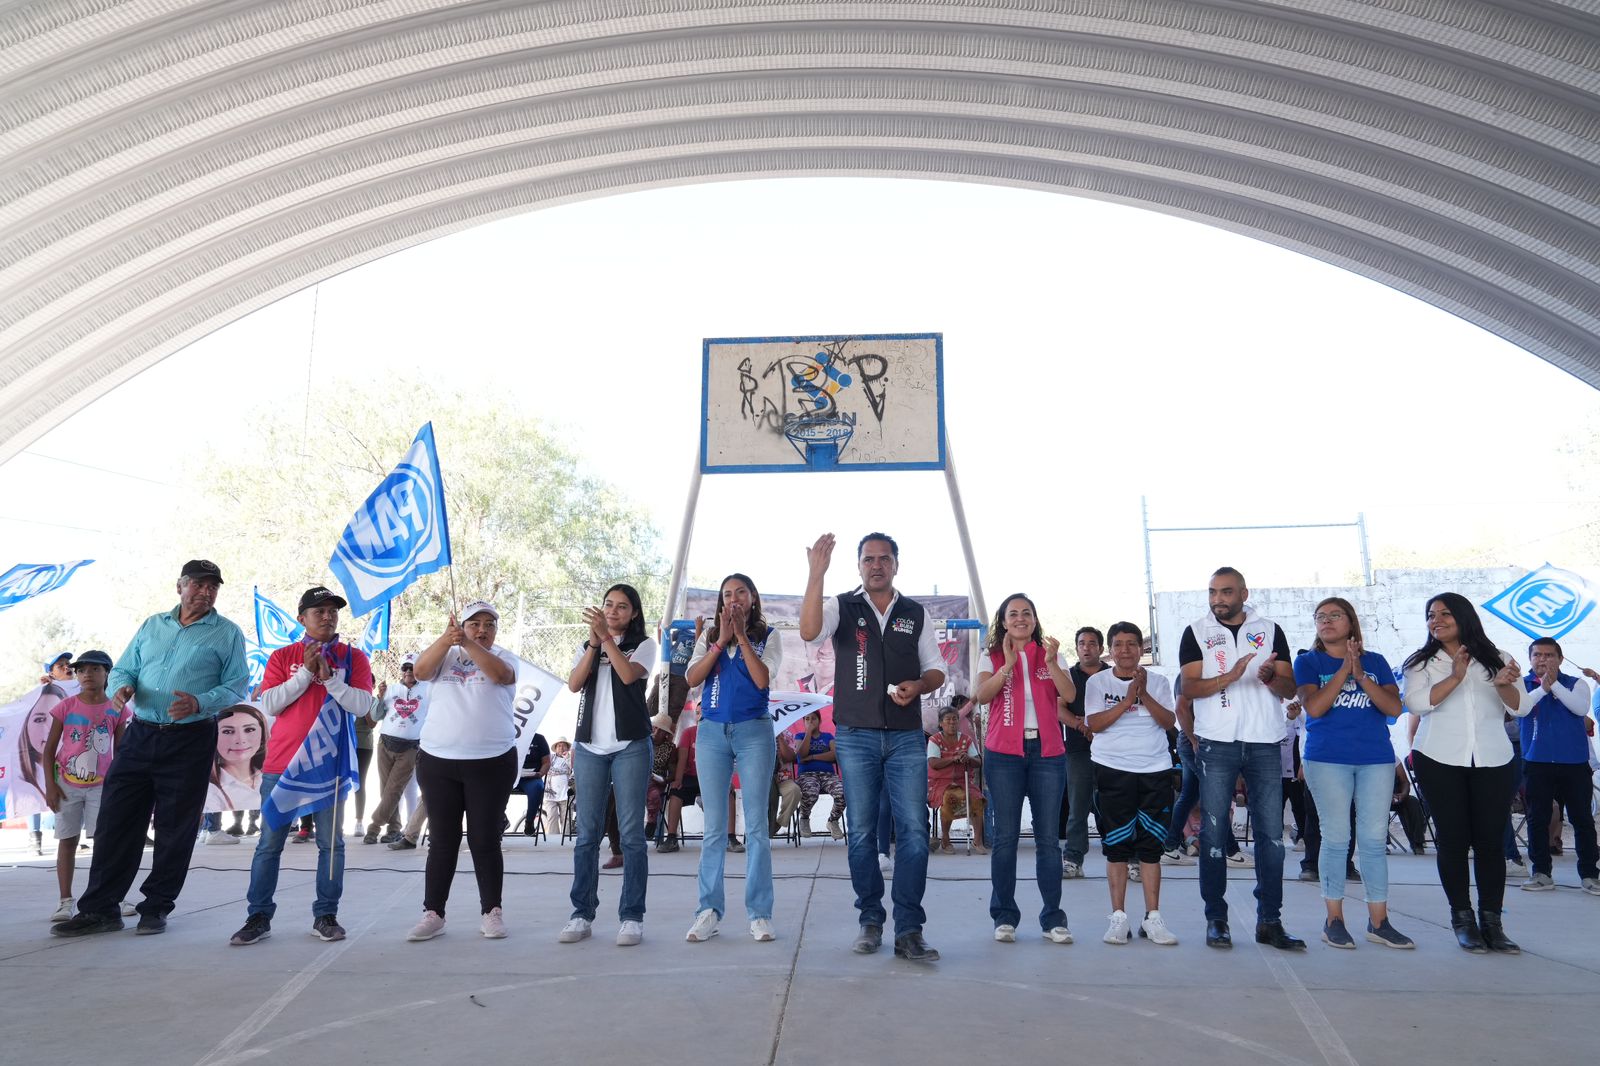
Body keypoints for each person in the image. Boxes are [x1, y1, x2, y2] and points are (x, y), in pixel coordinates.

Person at [54, 559, 249, 938]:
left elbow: (236, 686)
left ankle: (155, 907)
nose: (206, 592)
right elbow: (125, 668)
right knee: (114, 821)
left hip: (189, 739)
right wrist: (121, 689)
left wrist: (199, 702)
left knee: (175, 827)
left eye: (213, 586)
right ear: (181, 586)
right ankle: (99, 910)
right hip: (140, 734)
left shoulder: (227, 633)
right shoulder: (152, 625)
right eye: (199, 584)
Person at [800, 532, 946, 963]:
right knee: (861, 832)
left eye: (884, 559)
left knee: (915, 833)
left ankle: (909, 929)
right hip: (855, 735)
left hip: (905, 737)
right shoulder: (842, 606)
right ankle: (869, 919)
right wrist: (816, 574)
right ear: (859, 566)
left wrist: (919, 685)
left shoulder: (914, 613)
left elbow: (935, 669)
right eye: (868, 559)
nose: (877, 565)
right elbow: (809, 631)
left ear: (897, 564)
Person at [228, 587, 375, 946]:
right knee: (269, 844)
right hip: (282, 764)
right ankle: (258, 916)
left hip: (330, 767)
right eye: (318, 611)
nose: (327, 616)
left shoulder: (354, 658)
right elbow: (271, 704)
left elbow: (362, 706)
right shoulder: (283, 656)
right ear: (302, 618)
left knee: (331, 845)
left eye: (332, 611)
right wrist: (306, 675)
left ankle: (326, 914)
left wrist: (330, 679)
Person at [1178, 567, 1304, 951]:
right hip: (1217, 742)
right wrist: (1229, 676)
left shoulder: (1270, 630)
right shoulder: (1196, 631)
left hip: (1265, 741)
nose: (1218, 599)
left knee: (1271, 837)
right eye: (1213, 592)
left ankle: (1270, 920)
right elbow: (1190, 688)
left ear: (1244, 593)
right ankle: (1216, 919)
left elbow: (1289, 687)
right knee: (1214, 834)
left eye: (1227, 592)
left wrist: (1268, 677)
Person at [1403, 592, 1533, 953]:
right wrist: (1456, 676)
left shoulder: (1500, 660)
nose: (1436, 620)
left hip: (1493, 759)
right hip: (1438, 758)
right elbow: (1416, 703)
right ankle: (1463, 920)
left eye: (1445, 613)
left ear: (1465, 617)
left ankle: (1492, 922)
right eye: (1431, 615)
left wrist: (1504, 683)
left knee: (1491, 842)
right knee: (1454, 839)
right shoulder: (1420, 663)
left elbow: (1520, 709)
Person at [1293, 598, 1413, 949]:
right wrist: (1345, 669)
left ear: (1351, 622)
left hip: (1375, 758)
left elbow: (1393, 707)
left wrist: (1360, 674)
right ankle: (1334, 920)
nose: (1326, 621)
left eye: (1335, 615)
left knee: (1374, 840)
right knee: (1336, 837)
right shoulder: (1307, 662)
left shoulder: (1375, 662)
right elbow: (1314, 707)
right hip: (1328, 758)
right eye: (1320, 617)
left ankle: (1379, 922)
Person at [403, 601, 519, 942]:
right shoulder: (444, 655)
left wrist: (467, 643)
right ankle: (433, 913)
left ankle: (491, 912)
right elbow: (421, 671)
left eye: (489, 624)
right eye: (474, 624)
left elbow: (500, 676)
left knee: (484, 839)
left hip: (491, 761)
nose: (482, 629)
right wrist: (446, 639)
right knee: (443, 840)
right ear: (460, 625)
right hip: (439, 761)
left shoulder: (505, 657)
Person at [682, 572, 783, 943]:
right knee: (713, 829)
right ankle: (708, 910)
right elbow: (693, 679)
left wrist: (740, 638)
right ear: (720, 602)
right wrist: (720, 640)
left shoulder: (769, 637)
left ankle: (759, 913)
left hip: (753, 730)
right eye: (727, 594)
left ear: (753, 598)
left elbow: (762, 680)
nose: (734, 599)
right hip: (711, 733)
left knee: (756, 826)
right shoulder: (710, 636)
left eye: (741, 592)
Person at [561, 584, 657, 947]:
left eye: (621, 607)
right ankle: (581, 913)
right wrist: (593, 644)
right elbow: (574, 684)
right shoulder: (589, 645)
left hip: (630, 745)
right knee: (586, 834)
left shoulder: (644, 645)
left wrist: (607, 640)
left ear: (633, 613)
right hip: (589, 747)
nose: (613, 611)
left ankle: (632, 915)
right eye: (608, 605)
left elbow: (629, 675)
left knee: (631, 835)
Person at [974, 593, 1072, 944]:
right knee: (1005, 839)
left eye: (1026, 613)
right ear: (1003, 621)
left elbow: (1069, 696)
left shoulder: (1049, 654)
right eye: (1012, 614)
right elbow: (982, 695)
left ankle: (1053, 919)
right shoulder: (993, 655)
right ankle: (1004, 916)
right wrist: (1007, 666)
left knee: (1048, 840)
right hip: (1004, 754)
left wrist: (1053, 662)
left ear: (1034, 619)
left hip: (1047, 753)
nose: (1020, 618)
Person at [1085, 622, 1179, 946]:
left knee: (1152, 847)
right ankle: (1118, 918)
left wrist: (1144, 695)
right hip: (1111, 770)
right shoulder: (1097, 682)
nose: (1125, 650)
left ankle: (1153, 918)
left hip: (1155, 769)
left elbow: (1169, 722)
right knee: (1116, 847)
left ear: (1142, 649)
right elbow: (1094, 724)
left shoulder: (1160, 682)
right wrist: (1127, 701)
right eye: (1118, 644)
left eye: (1131, 644)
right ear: (1109, 650)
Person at [41, 651, 131, 922]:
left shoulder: (116, 709)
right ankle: (65, 900)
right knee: (67, 841)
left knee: (104, 842)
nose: (87, 675)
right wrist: (50, 785)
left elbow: (122, 750)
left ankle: (111, 895)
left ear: (107, 674)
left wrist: (121, 786)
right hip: (66, 785)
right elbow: (48, 751)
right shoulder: (66, 707)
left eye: (95, 669)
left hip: (102, 786)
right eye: (81, 670)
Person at [1516, 638, 1599, 895]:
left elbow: (1580, 707)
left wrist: (1554, 686)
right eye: (1537, 655)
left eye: (1549, 655)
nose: (1543, 660)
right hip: (1537, 762)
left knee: (1582, 820)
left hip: (1574, 763)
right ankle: (1541, 873)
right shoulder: (1521, 685)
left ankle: (1590, 875)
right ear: (1530, 659)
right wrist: (1543, 687)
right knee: (1537, 819)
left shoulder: (1577, 683)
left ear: (1560, 659)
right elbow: (1521, 709)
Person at [368, 657, 430, 844]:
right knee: (386, 788)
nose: (408, 671)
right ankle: (394, 828)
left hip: (410, 747)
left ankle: (374, 827)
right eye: (405, 667)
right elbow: (376, 716)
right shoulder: (391, 689)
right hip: (385, 743)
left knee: (394, 788)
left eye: (412, 668)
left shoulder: (428, 690)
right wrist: (379, 697)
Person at [1060, 627, 1105, 877]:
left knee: (1115, 807)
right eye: (1081, 643)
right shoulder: (1068, 676)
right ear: (1076, 648)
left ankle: (1127, 858)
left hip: (1112, 751)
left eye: (1092, 643)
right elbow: (1058, 708)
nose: (1086, 647)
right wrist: (1080, 724)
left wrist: (1099, 725)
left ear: (1100, 648)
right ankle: (1073, 859)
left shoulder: (1114, 675)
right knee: (1077, 808)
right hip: (1078, 750)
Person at [927, 706, 985, 854]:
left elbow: (978, 761)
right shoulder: (935, 740)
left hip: (962, 780)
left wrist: (968, 759)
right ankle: (945, 840)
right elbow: (933, 762)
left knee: (978, 799)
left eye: (955, 719)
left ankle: (977, 840)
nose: (952, 723)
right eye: (948, 720)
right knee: (948, 799)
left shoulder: (966, 740)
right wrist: (953, 759)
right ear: (941, 723)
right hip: (941, 782)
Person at [206, 704, 267, 828]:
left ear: (262, 735)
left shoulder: (268, 780)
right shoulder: (211, 790)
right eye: (228, 731)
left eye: (249, 730)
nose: (240, 740)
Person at [793, 712, 846, 837]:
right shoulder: (800, 736)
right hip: (807, 775)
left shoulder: (828, 736)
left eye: (814, 719)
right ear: (803, 721)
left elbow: (834, 755)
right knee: (811, 792)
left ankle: (833, 821)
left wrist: (812, 757)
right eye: (807, 719)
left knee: (842, 793)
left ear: (819, 720)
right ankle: (804, 818)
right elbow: (802, 754)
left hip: (828, 775)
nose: (810, 721)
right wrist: (808, 733)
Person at [511, 731, 552, 837]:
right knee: (491, 787)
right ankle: (501, 820)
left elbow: (546, 762)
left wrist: (540, 773)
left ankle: (529, 822)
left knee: (538, 787)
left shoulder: (539, 739)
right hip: (510, 777)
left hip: (531, 777)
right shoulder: (508, 736)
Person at [645, 713, 678, 841]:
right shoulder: (643, 742)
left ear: (666, 734)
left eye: (661, 730)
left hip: (657, 782)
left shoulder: (670, 748)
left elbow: (673, 772)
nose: (656, 731)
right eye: (655, 728)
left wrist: (664, 780)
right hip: (638, 779)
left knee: (653, 793)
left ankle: (652, 822)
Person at [769, 733, 801, 837]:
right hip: (764, 779)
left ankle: (778, 823)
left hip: (784, 778)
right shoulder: (757, 731)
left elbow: (790, 757)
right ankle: (762, 827)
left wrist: (781, 739)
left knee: (794, 791)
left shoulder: (787, 734)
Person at [545, 737, 574, 832]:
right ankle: (553, 842)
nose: (561, 748)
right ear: (556, 748)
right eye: (559, 746)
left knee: (566, 820)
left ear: (567, 747)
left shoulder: (570, 758)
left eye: (564, 746)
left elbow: (575, 770)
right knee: (552, 818)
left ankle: (565, 842)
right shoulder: (550, 758)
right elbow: (545, 769)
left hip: (565, 794)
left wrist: (567, 758)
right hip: (550, 794)